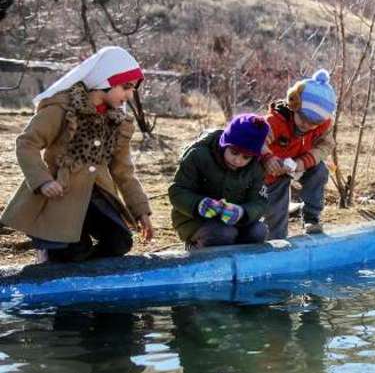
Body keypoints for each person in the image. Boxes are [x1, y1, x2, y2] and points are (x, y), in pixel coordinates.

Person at [0, 46, 153, 263]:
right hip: (58, 196)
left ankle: (87, 278)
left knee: (119, 241)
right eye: (125, 87)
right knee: (68, 252)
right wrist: (43, 181)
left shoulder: (119, 122)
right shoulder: (62, 109)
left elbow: (123, 171)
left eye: (132, 89)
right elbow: (27, 143)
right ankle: (51, 260)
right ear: (104, 82)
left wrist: (141, 211)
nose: (129, 95)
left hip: (97, 195)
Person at [169, 113, 271, 249]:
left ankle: (240, 265)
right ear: (224, 144)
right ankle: (196, 249)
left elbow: (259, 202)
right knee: (224, 233)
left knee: (259, 231)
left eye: (246, 157)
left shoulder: (256, 167)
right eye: (234, 153)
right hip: (195, 219)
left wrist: (242, 212)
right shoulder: (198, 155)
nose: (238, 160)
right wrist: (199, 204)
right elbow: (177, 191)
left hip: (235, 221)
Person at [261, 69, 337, 239]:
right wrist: (268, 158)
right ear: (294, 105)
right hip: (272, 170)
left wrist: (303, 163)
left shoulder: (322, 126)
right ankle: (276, 241)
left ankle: (311, 218)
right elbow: (257, 141)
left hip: (298, 163)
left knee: (319, 171)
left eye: (313, 123)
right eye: (303, 118)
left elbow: (326, 146)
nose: (306, 125)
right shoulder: (275, 122)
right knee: (276, 214)